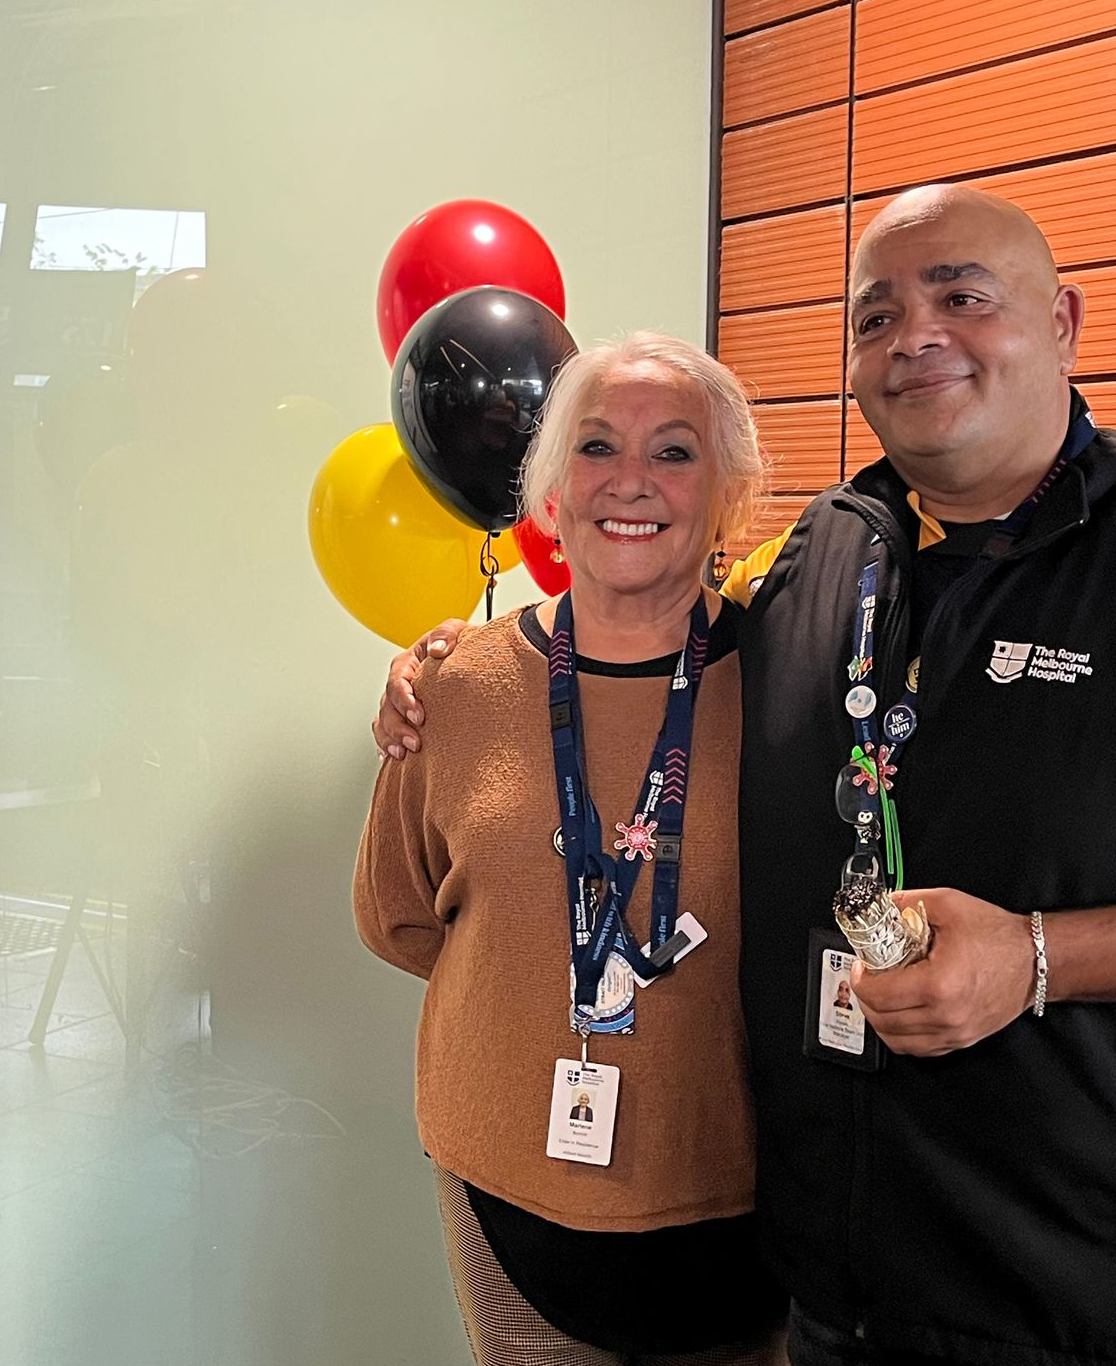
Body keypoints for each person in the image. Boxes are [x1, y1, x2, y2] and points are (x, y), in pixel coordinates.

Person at [372, 185, 1116, 1366]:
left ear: (1061, 324)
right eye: (874, 315)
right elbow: (631, 648)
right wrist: (446, 665)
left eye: (961, 297)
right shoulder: (816, 565)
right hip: (841, 1295)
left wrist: (1039, 956)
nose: (915, 335)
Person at [354, 331, 788, 1365]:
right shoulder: (455, 687)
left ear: (727, 495)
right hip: (508, 1184)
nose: (629, 480)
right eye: (595, 446)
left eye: (674, 451)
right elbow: (399, 916)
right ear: (550, 490)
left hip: (746, 1198)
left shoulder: (792, 687)